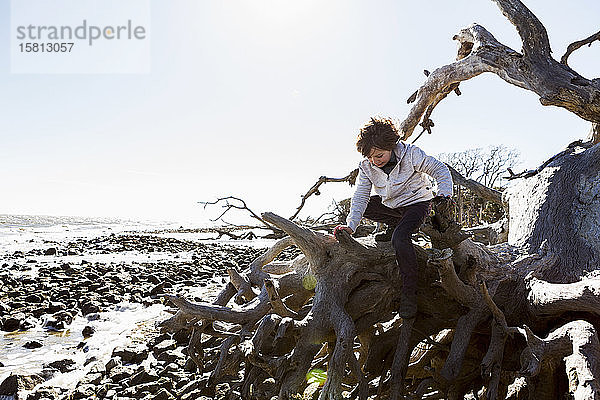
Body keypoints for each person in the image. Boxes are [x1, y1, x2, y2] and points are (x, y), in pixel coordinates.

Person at [334, 117, 453, 319]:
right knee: (367, 206)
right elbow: (361, 196)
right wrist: (350, 227)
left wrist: (444, 194)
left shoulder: (411, 154)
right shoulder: (366, 166)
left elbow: (440, 170)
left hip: (417, 204)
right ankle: (395, 224)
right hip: (393, 206)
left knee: (400, 239)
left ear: (391, 146)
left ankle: (410, 292)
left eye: (379, 155)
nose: (375, 160)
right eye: (370, 157)